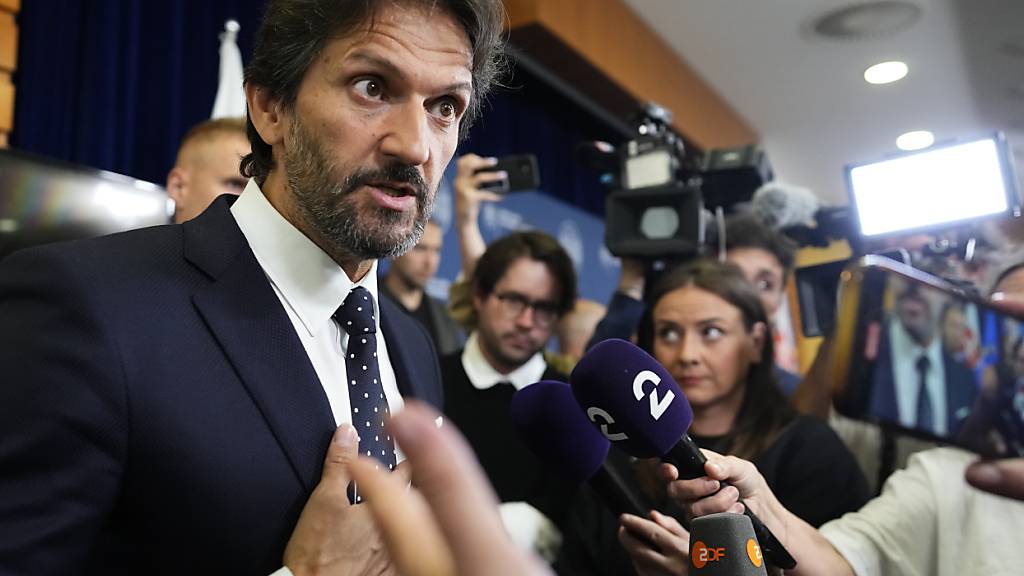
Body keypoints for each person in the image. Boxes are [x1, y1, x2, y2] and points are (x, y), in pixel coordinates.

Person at [0, 0, 505, 573]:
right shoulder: (86, 305)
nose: (415, 146)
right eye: (372, 86)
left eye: (444, 107)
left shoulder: (412, 346)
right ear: (270, 107)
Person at [617, 260, 868, 575]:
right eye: (668, 333)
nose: (687, 354)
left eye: (711, 332)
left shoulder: (811, 450)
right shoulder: (624, 450)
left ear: (756, 342)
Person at [588, 213, 803, 396]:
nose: (746, 293)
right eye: (731, 276)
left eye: (765, 284)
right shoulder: (659, 382)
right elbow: (596, 378)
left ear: (780, 297)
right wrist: (631, 284)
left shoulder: (793, 395)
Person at [869, 284, 977, 437]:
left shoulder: (964, 378)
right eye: (905, 269)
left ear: (948, 295)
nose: (913, 283)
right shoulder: (859, 354)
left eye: (929, 272)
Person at [381, 219, 463, 355]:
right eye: (420, 248)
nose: (430, 262)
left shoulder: (446, 319)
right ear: (394, 248)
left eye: (436, 250)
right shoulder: (366, 303)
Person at [165, 117, 250, 223]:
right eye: (235, 184)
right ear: (178, 187)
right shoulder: (140, 239)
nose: (252, 199)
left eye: (260, 190)